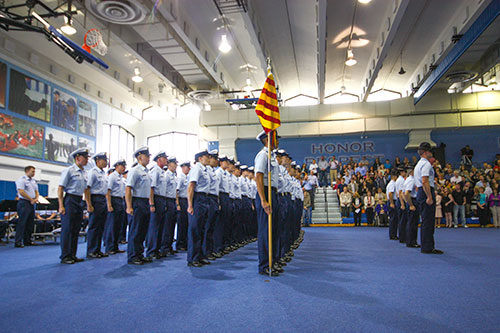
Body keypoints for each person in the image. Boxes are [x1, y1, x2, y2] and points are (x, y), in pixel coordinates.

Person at [254, 130, 281, 276]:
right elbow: (258, 177)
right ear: (267, 139)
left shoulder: (272, 157)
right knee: (265, 231)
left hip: (273, 192)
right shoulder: (263, 155)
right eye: (276, 138)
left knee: (274, 230)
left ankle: (273, 261)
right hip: (265, 192)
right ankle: (264, 265)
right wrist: (263, 200)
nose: (278, 141)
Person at [58, 148, 90, 264]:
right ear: (77, 158)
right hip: (69, 199)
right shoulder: (69, 171)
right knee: (67, 229)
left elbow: (86, 190)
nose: (87, 160)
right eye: (85, 158)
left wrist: (87, 203)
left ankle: (73, 254)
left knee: (76, 229)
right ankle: (65, 256)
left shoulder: (85, 173)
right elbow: (60, 188)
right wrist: (61, 205)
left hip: (79, 200)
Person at [125, 147, 153, 265]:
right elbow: (128, 188)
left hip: (145, 202)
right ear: (140, 157)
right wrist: (129, 206)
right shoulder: (135, 171)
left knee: (142, 230)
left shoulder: (147, 172)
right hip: (137, 202)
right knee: (135, 230)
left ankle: (139, 254)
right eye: (147, 156)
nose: (148, 158)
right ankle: (133, 256)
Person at [414, 142, 443, 254]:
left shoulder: (418, 164)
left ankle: (427, 245)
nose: (431, 153)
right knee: (428, 221)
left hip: (421, 191)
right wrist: (429, 196)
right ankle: (427, 247)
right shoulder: (426, 165)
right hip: (426, 191)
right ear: (426, 152)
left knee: (426, 220)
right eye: (430, 151)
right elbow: (425, 181)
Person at [187, 150, 211, 267]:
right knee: (195, 230)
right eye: (206, 157)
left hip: (204, 199)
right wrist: (190, 205)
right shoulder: (197, 168)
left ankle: (200, 255)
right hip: (198, 199)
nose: (208, 158)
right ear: (200, 158)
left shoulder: (204, 169)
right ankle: (193, 258)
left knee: (202, 229)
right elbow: (191, 187)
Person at [85, 152, 109, 259]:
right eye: (104, 160)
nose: (106, 162)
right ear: (98, 161)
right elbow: (87, 188)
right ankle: (91, 250)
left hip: (102, 199)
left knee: (100, 226)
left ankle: (97, 249)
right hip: (95, 199)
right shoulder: (92, 172)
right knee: (94, 226)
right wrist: (89, 204)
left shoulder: (103, 173)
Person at [145, 151, 168, 260]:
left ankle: (157, 249)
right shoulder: (155, 171)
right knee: (154, 226)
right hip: (156, 199)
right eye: (164, 158)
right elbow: (151, 188)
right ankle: (151, 250)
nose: (166, 160)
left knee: (160, 226)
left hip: (162, 199)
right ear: (159, 160)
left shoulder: (162, 171)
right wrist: (152, 203)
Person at [104, 159, 127, 255]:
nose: (124, 168)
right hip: (113, 200)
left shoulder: (121, 177)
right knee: (112, 225)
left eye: (124, 166)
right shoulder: (112, 176)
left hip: (120, 201)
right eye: (122, 166)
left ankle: (115, 246)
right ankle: (109, 247)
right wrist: (109, 205)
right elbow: (108, 191)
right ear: (117, 166)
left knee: (118, 225)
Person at [15, 165, 39, 247]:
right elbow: (21, 192)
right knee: (22, 222)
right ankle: (18, 241)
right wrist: (30, 199)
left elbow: (36, 191)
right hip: (24, 203)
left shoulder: (34, 181)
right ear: (27, 171)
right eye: (32, 171)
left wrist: (36, 198)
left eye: (34, 171)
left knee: (30, 223)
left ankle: (27, 240)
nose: (34, 173)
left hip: (31, 203)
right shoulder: (22, 180)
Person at [203, 150, 220, 261]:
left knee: (211, 227)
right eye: (214, 158)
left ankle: (210, 250)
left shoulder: (212, 171)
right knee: (207, 226)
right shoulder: (207, 170)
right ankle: (206, 251)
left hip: (214, 198)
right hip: (208, 198)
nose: (216, 161)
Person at [162, 156, 178, 255]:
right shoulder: (166, 175)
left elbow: (175, 191)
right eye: (174, 163)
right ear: (169, 164)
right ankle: (164, 247)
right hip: (167, 200)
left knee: (172, 225)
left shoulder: (174, 176)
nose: (175, 166)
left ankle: (169, 245)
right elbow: (163, 190)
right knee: (167, 225)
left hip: (173, 201)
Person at [176, 161, 190, 251]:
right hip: (182, 200)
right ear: (182, 168)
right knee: (182, 223)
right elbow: (176, 191)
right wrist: (177, 204)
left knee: (186, 223)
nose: (189, 169)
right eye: (187, 167)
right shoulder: (180, 178)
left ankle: (185, 242)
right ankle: (180, 243)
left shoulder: (187, 177)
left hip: (187, 201)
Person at [404, 167, 420, 248]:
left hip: (411, 200)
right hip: (412, 200)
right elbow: (407, 193)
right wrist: (411, 205)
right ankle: (411, 241)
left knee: (411, 222)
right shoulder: (411, 180)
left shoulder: (407, 179)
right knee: (412, 223)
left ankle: (410, 240)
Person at [386, 170, 398, 240]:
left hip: (391, 201)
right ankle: (392, 235)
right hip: (392, 201)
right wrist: (392, 203)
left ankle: (393, 234)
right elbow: (390, 193)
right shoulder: (392, 184)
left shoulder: (391, 183)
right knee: (393, 219)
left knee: (394, 219)